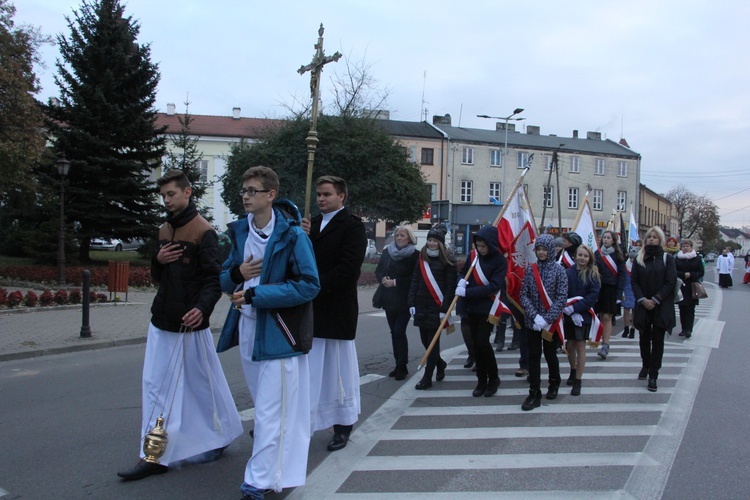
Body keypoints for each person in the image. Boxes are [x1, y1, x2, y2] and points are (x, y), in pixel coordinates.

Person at [117, 169, 242, 481]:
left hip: (189, 325)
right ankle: (155, 455)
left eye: (171, 194)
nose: (166, 201)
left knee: (203, 385)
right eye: (163, 196)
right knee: (156, 387)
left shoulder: (203, 232)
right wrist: (157, 260)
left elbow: (214, 280)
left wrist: (202, 309)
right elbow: (159, 278)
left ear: (188, 192)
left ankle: (219, 436)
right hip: (162, 321)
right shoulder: (163, 230)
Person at [218, 166, 320, 499]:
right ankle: (276, 473)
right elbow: (223, 278)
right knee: (266, 410)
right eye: (243, 191)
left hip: (279, 333)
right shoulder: (240, 232)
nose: (245, 196)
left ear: (270, 195)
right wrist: (237, 272)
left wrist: (256, 294)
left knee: (270, 411)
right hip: (248, 329)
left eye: (252, 191)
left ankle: (256, 482)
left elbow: (309, 285)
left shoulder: (293, 235)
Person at [301, 176, 367, 452]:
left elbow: (348, 268)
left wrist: (314, 286)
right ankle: (301, 421)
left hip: (336, 308)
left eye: (326, 194)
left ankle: (342, 425)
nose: (320, 199)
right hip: (311, 309)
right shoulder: (311, 224)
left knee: (337, 372)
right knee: (308, 372)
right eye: (318, 194)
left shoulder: (352, 226)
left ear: (342, 196)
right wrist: (301, 238)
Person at [455, 225, 507, 397]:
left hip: (488, 307)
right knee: (475, 345)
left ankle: (493, 379)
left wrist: (467, 292)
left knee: (483, 343)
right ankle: (481, 380)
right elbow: (463, 273)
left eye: (484, 246)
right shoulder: (474, 257)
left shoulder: (500, 261)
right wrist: (461, 281)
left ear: (491, 244)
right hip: (471, 307)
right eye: (478, 245)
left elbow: (494, 286)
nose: (480, 249)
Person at [520, 234, 568, 411]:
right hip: (533, 322)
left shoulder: (559, 271)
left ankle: (554, 382)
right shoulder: (530, 270)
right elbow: (523, 294)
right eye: (538, 249)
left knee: (549, 354)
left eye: (544, 249)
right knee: (533, 356)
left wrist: (547, 319)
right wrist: (535, 316)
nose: (541, 253)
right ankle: (534, 391)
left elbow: (562, 297)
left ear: (551, 251)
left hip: (550, 323)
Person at [407, 224, 457, 390]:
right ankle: (440, 364)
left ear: (441, 243)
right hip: (421, 305)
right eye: (429, 240)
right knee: (424, 340)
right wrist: (411, 302)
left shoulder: (448, 260)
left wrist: (445, 309)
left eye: (435, 240)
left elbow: (450, 288)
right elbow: (415, 280)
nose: (431, 243)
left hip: (437, 307)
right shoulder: (422, 258)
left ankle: (427, 377)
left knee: (433, 343)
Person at [631, 226, 676, 392]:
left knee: (657, 340)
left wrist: (656, 299)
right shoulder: (639, 258)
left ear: (660, 240)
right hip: (643, 304)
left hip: (661, 305)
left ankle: (654, 374)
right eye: (649, 237)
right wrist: (642, 299)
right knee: (643, 337)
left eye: (655, 237)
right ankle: (645, 365)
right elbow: (634, 281)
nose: (651, 239)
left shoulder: (667, 259)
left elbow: (670, 282)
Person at [375, 225, 419, 380]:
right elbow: (379, 270)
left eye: (403, 235)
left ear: (410, 238)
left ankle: (402, 366)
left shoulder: (415, 255)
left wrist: (396, 282)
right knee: (394, 332)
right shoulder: (387, 252)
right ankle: (398, 364)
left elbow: (416, 278)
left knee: (399, 331)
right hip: (388, 298)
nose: (399, 238)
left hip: (405, 300)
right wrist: (383, 279)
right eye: (397, 235)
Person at [563, 245, 601, 396]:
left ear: (589, 258)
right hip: (567, 314)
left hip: (584, 315)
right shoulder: (567, 273)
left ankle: (578, 380)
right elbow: (562, 291)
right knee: (570, 345)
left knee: (580, 346)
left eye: (585, 256)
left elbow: (592, 296)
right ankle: (573, 369)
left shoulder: (593, 275)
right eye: (580, 255)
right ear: (575, 256)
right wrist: (568, 309)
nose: (582, 258)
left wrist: (576, 309)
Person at [594, 230, 626, 360]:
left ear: (613, 240)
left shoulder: (618, 255)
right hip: (599, 289)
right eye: (604, 237)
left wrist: (619, 294)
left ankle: (606, 344)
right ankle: (602, 340)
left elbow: (622, 276)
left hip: (611, 289)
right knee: (601, 316)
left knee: (607, 317)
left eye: (608, 237)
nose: (606, 239)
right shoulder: (597, 254)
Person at [674, 239, 704, 338]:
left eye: (687, 246)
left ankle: (689, 330)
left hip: (692, 286)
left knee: (690, 309)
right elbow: (673, 271)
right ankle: (683, 329)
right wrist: (683, 274)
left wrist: (691, 275)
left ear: (691, 247)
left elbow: (701, 272)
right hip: (681, 285)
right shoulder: (677, 258)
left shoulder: (697, 258)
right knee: (682, 308)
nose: (685, 248)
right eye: (683, 246)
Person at [620, 245, 639, 339]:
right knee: (626, 310)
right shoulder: (624, 266)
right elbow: (621, 279)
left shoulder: (639, 267)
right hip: (626, 289)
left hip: (636, 290)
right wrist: (622, 292)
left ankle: (633, 329)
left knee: (635, 311)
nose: (632, 259)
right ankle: (626, 328)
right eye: (631, 257)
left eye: (634, 258)